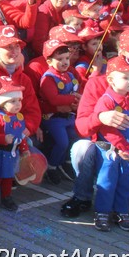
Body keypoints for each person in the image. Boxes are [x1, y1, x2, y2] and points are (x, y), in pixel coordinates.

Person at [91, 56, 129, 232]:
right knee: (107, 178)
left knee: (127, 179)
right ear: (111, 80)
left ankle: (122, 210)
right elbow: (105, 128)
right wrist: (124, 147)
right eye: (125, 77)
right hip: (109, 147)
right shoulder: (107, 100)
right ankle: (102, 212)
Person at [0, 77, 29, 213]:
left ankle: (6, 197)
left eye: (19, 100)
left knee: (8, 177)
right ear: (2, 103)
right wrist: (3, 138)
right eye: (13, 101)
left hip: (11, 153)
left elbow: (21, 136)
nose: (18, 104)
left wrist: (24, 149)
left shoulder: (19, 117)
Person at [38, 39, 80, 185]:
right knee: (62, 143)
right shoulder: (48, 78)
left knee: (74, 138)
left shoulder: (69, 75)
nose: (65, 62)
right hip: (54, 118)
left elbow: (76, 90)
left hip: (68, 116)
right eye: (60, 59)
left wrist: (77, 99)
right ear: (49, 61)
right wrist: (74, 98)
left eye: (67, 58)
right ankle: (52, 166)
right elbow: (54, 99)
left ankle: (64, 162)